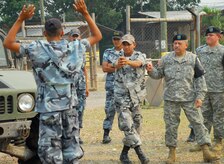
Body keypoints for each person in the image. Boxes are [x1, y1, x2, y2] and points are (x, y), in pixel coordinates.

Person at [4, 0, 102, 163]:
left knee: (50, 153)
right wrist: (85, 13)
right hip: (70, 108)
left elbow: (8, 42)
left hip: (48, 110)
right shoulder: (75, 48)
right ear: (62, 32)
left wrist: (21, 19)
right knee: (71, 150)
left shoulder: (36, 48)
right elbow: (97, 36)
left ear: (44, 33)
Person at [146, 34, 220, 163]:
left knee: (198, 124)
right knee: (171, 126)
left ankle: (206, 151)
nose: (176, 45)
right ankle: (172, 153)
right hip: (171, 98)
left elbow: (199, 79)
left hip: (189, 98)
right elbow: (158, 75)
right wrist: (151, 70)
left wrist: (200, 97)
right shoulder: (166, 59)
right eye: (174, 43)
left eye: (179, 43)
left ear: (186, 45)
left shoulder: (193, 59)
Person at [113, 34, 149, 164]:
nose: (126, 46)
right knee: (127, 125)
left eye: (128, 44)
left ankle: (124, 154)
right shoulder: (117, 55)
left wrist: (127, 61)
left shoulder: (140, 55)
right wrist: (118, 63)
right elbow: (113, 65)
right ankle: (140, 153)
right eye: (124, 44)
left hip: (135, 97)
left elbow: (138, 63)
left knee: (136, 125)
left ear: (134, 44)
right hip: (121, 97)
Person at [190, 26, 224, 152]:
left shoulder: (222, 51)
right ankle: (203, 141)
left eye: (211, 35)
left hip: (219, 89)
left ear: (218, 37)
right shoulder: (200, 51)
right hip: (203, 90)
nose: (208, 37)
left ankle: (219, 140)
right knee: (203, 116)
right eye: (207, 35)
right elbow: (195, 69)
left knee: (219, 116)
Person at [101, 31, 123, 144]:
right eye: (114, 39)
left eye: (118, 39)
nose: (116, 41)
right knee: (109, 110)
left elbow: (126, 66)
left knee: (125, 111)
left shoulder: (126, 52)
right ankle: (106, 134)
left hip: (123, 86)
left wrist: (111, 65)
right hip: (111, 86)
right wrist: (117, 66)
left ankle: (129, 135)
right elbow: (104, 68)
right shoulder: (108, 52)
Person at [68, 28, 89, 144]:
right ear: (69, 37)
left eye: (77, 36)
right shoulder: (66, 50)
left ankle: (78, 134)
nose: (75, 38)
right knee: (70, 110)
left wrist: (86, 87)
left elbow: (84, 69)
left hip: (80, 86)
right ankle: (71, 134)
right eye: (73, 36)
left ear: (80, 37)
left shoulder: (81, 51)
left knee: (80, 109)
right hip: (70, 86)